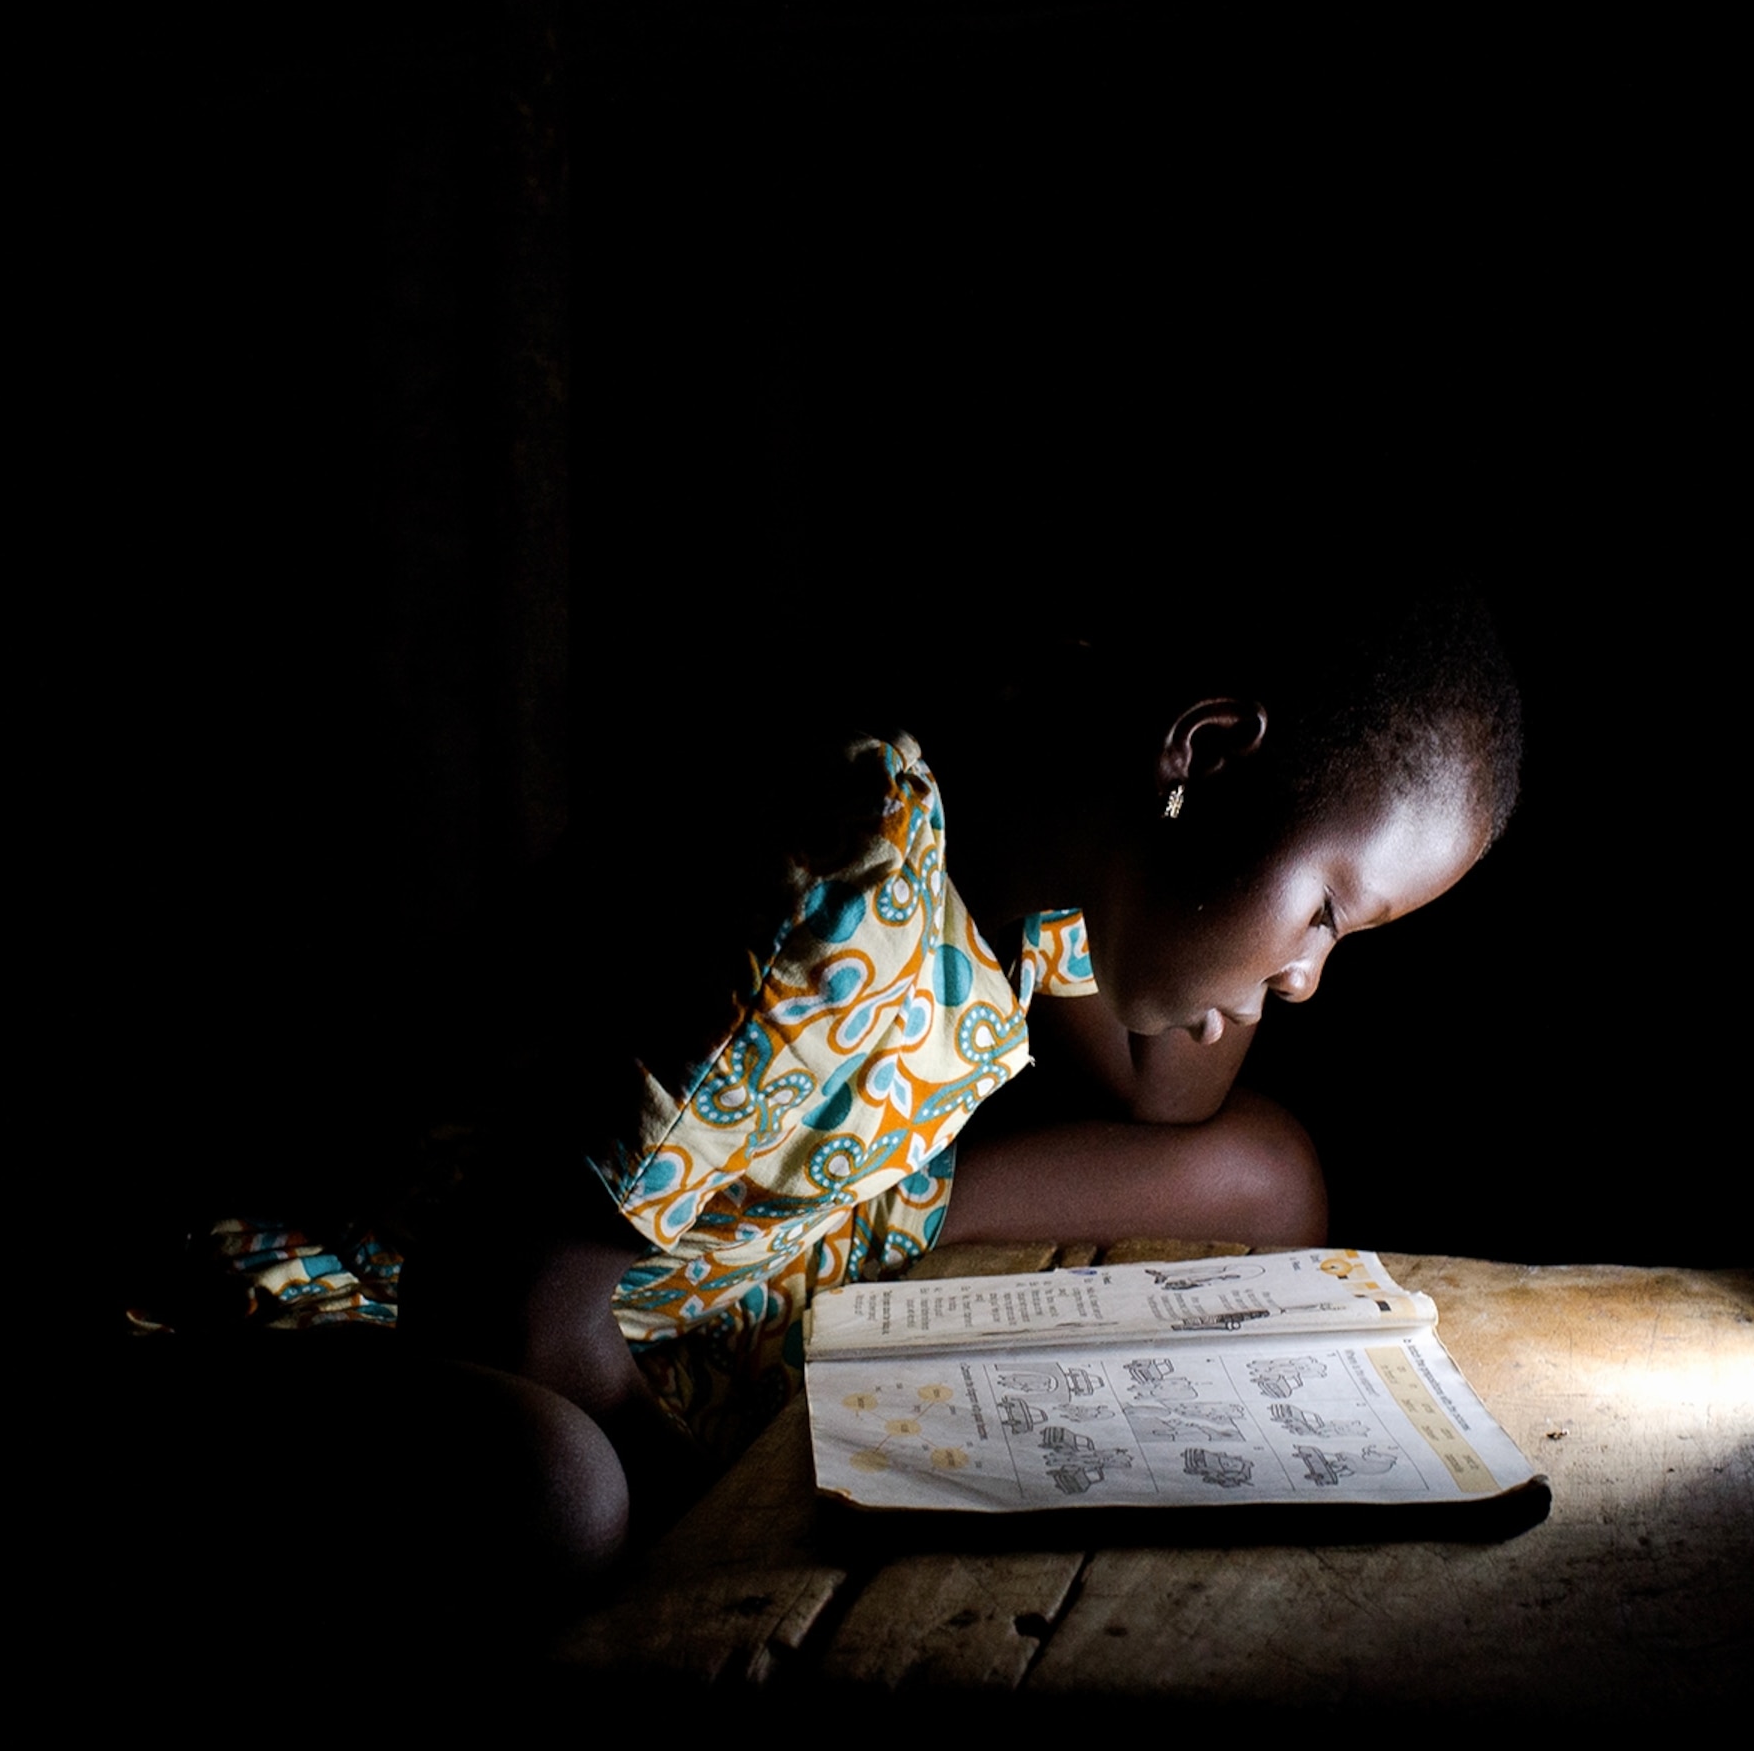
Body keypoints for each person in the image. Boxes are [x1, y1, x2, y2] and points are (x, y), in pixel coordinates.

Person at [128, 563, 1524, 1590]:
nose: (1309, 979)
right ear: (1205, 750)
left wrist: (1244, 920)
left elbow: (1173, 1100)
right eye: (1337, 915)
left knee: (1263, 1168)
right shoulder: (843, 879)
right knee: (563, 1496)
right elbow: (505, 1283)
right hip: (440, 1284)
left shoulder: (1053, 852)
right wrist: (728, 1529)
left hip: (764, 1224)